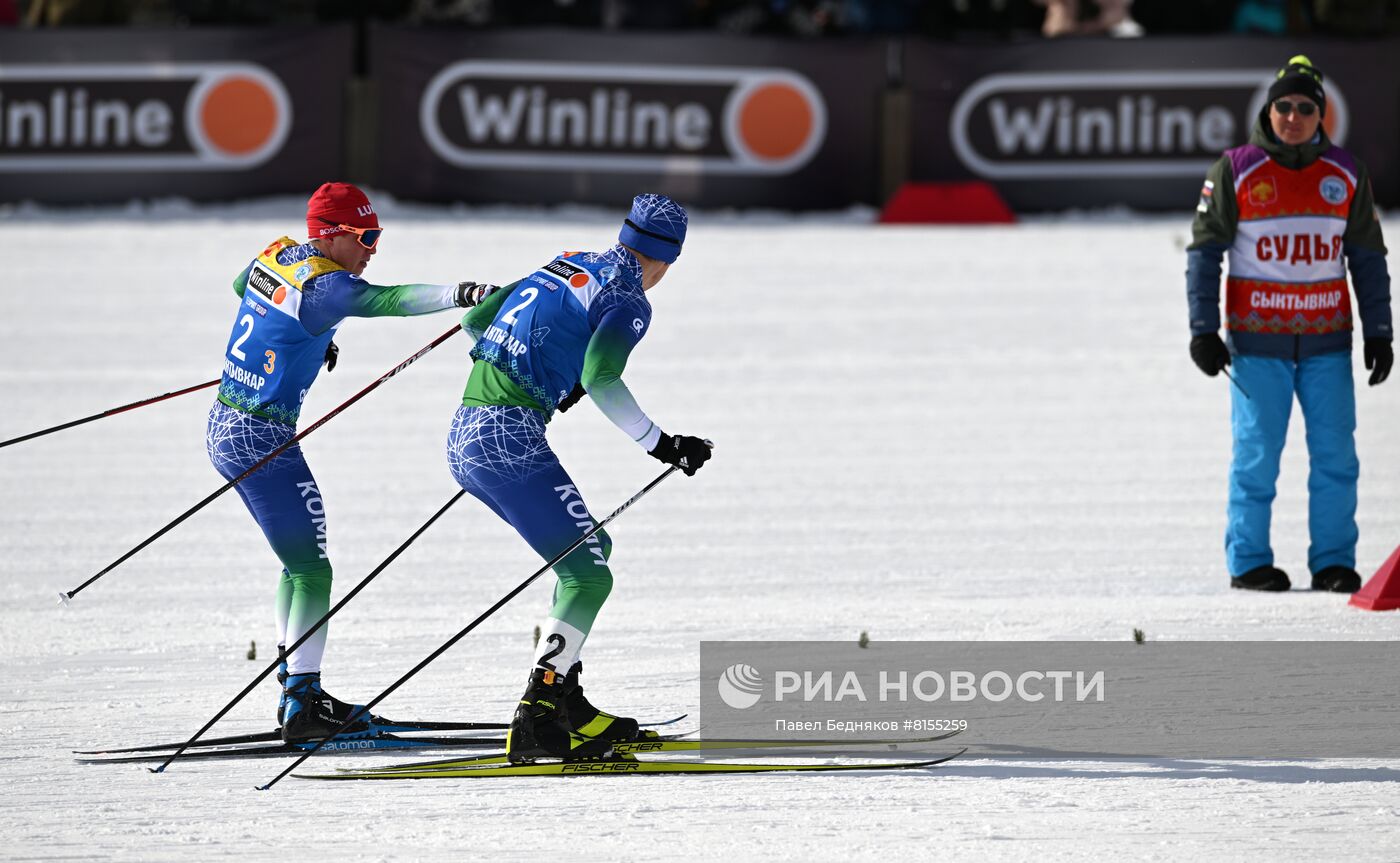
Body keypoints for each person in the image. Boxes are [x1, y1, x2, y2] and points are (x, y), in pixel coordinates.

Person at [208, 182, 494, 742]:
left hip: (224, 425)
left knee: (298, 565)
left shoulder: (279, 252)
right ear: (333, 235)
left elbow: (243, 286)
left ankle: (298, 691)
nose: (372, 249)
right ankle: (303, 703)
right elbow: (387, 300)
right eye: (365, 237)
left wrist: (301, 339)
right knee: (313, 567)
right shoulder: (330, 288)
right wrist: (462, 292)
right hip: (262, 439)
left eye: (377, 236)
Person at [445, 193, 711, 762]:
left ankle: (565, 695)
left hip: (466, 430)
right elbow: (600, 377)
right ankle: (538, 713)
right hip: (509, 439)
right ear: (666, 259)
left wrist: (533, 370)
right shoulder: (629, 299)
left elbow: (475, 319)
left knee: (592, 550)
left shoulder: (569, 259)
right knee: (589, 576)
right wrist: (662, 444)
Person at [1186, 56, 1392, 593]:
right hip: (1258, 348)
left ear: (1321, 114)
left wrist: (1380, 332)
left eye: (1306, 107)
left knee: (1336, 458)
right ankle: (1249, 561)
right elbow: (1205, 253)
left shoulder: (1346, 174)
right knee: (1256, 458)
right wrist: (1203, 329)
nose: (1293, 116)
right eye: (1284, 106)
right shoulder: (1236, 169)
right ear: (1268, 109)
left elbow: (1368, 258)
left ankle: (1333, 563)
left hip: (1326, 346)